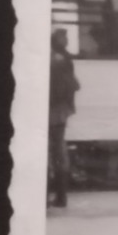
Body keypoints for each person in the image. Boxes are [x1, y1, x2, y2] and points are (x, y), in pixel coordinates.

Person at [48, 28, 79, 208]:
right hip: (62, 110)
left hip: (53, 110)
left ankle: (58, 196)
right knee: (59, 151)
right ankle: (61, 196)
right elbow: (73, 86)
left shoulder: (54, 60)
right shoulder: (66, 59)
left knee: (53, 152)